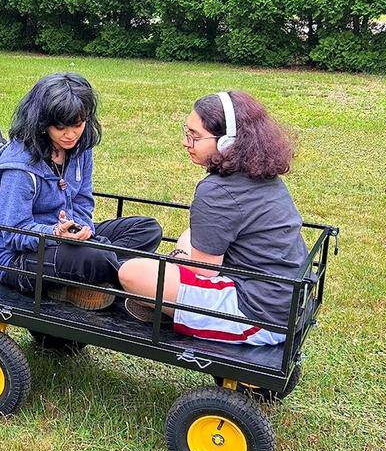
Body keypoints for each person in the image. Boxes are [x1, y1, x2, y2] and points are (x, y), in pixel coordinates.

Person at [118, 91, 308, 344]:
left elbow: (204, 271)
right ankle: (168, 303)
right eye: (187, 133)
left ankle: (165, 308)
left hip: (257, 314)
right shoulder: (265, 177)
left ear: (227, 143)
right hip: (284, 300)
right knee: (188, 237)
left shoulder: (217, 190)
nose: (186, 142)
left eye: (195, 136)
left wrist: (178, 261)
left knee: (132, 272)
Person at [0, 73, 162, 309]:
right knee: (95, 257)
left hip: (70, 240)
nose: (70, 135)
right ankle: (135, 283)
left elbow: (82, 201)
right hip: (19, 258)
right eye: (60, 127)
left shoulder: (80, 149)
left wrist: (83, 230)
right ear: (41, 122)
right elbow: (14, 232)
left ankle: (86, 279)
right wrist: (56, 233)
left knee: (148, 229)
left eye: (77, 124)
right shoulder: (18, 168)